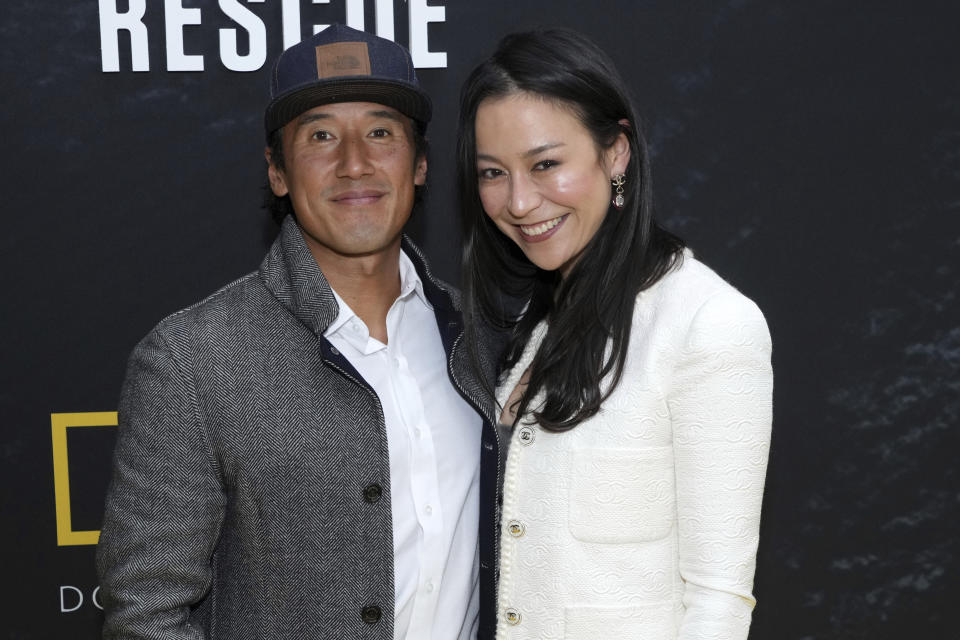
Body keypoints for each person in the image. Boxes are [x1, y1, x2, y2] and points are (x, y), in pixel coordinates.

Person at [97, 24, 500, 640]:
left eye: (380, 132)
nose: (354, 163)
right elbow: (148, 611)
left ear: (419, 165)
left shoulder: (486, 336)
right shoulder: (193, 359)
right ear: (278, 172)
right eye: (319, 136)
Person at [456, 29, 774, 639]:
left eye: (546, 164)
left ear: (616, 153)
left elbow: (718, 604)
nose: (519, 202)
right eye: (493, 173)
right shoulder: (535, 321)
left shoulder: (707, 324)